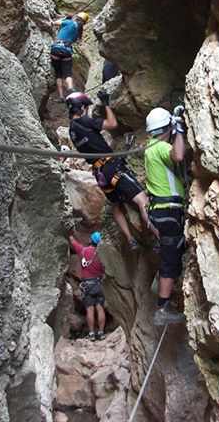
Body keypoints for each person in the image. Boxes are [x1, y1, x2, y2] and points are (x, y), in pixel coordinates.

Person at [66, 90, 158, 250]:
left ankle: (130, 240)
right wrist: (106, 103)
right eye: (85, 107)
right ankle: (160, 238)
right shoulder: (86, 121)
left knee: (116, 205)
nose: (86, 110)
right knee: (142, 201)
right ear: (81, 108)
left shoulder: (72, 131)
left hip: (99, 173)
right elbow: (112, 124)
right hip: (112, 167)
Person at [144, 105, 188, 326]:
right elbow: (178, 155)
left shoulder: (149, 148)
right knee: (171, 256)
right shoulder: (161, 147)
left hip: (159, 212)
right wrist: (179, 129)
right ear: (166, 128)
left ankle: (159, 282)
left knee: (172, 249)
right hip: (168, 211)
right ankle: (163, 308)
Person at [69, 231, 106, 341]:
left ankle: (91, 333)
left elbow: (73, 241)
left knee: (89, 310)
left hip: (87, 285)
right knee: (100, 309)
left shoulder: (83, 251)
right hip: (99, 283)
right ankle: (101, 332)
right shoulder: (101, 254)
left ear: (90, 240)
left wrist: (68, 230)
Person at [50, 12, 89, 102]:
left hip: (56, 48)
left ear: (76, 17)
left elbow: (55, 23)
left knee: (58, 73)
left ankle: (61, 96)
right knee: (67, 73)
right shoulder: (78, 32)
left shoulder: (69, 22)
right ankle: (70, 88)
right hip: (67, 51)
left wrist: (66, 19)